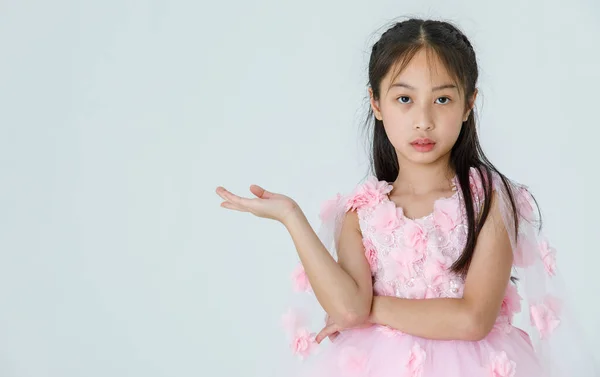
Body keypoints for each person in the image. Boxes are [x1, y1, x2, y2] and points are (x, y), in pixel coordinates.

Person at [215, 18, 598, 376]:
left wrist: (369, 310)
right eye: (404, 99)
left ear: (468, 103)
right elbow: (348, 308)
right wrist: (290, 215)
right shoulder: (360, 213)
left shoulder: (488, 201)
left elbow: (473, 320)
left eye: (442, 99)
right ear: (376, 103)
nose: (423, 120)